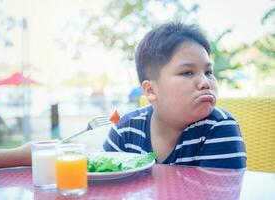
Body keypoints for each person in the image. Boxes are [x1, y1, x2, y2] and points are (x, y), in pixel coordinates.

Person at [103, 22, 247, 169]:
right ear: (151, 90)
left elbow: (217, 192)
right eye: (187, 73)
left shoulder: (218, 127)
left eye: (208, 72)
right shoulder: (125, 130)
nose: (205, 83)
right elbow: (107, 186)